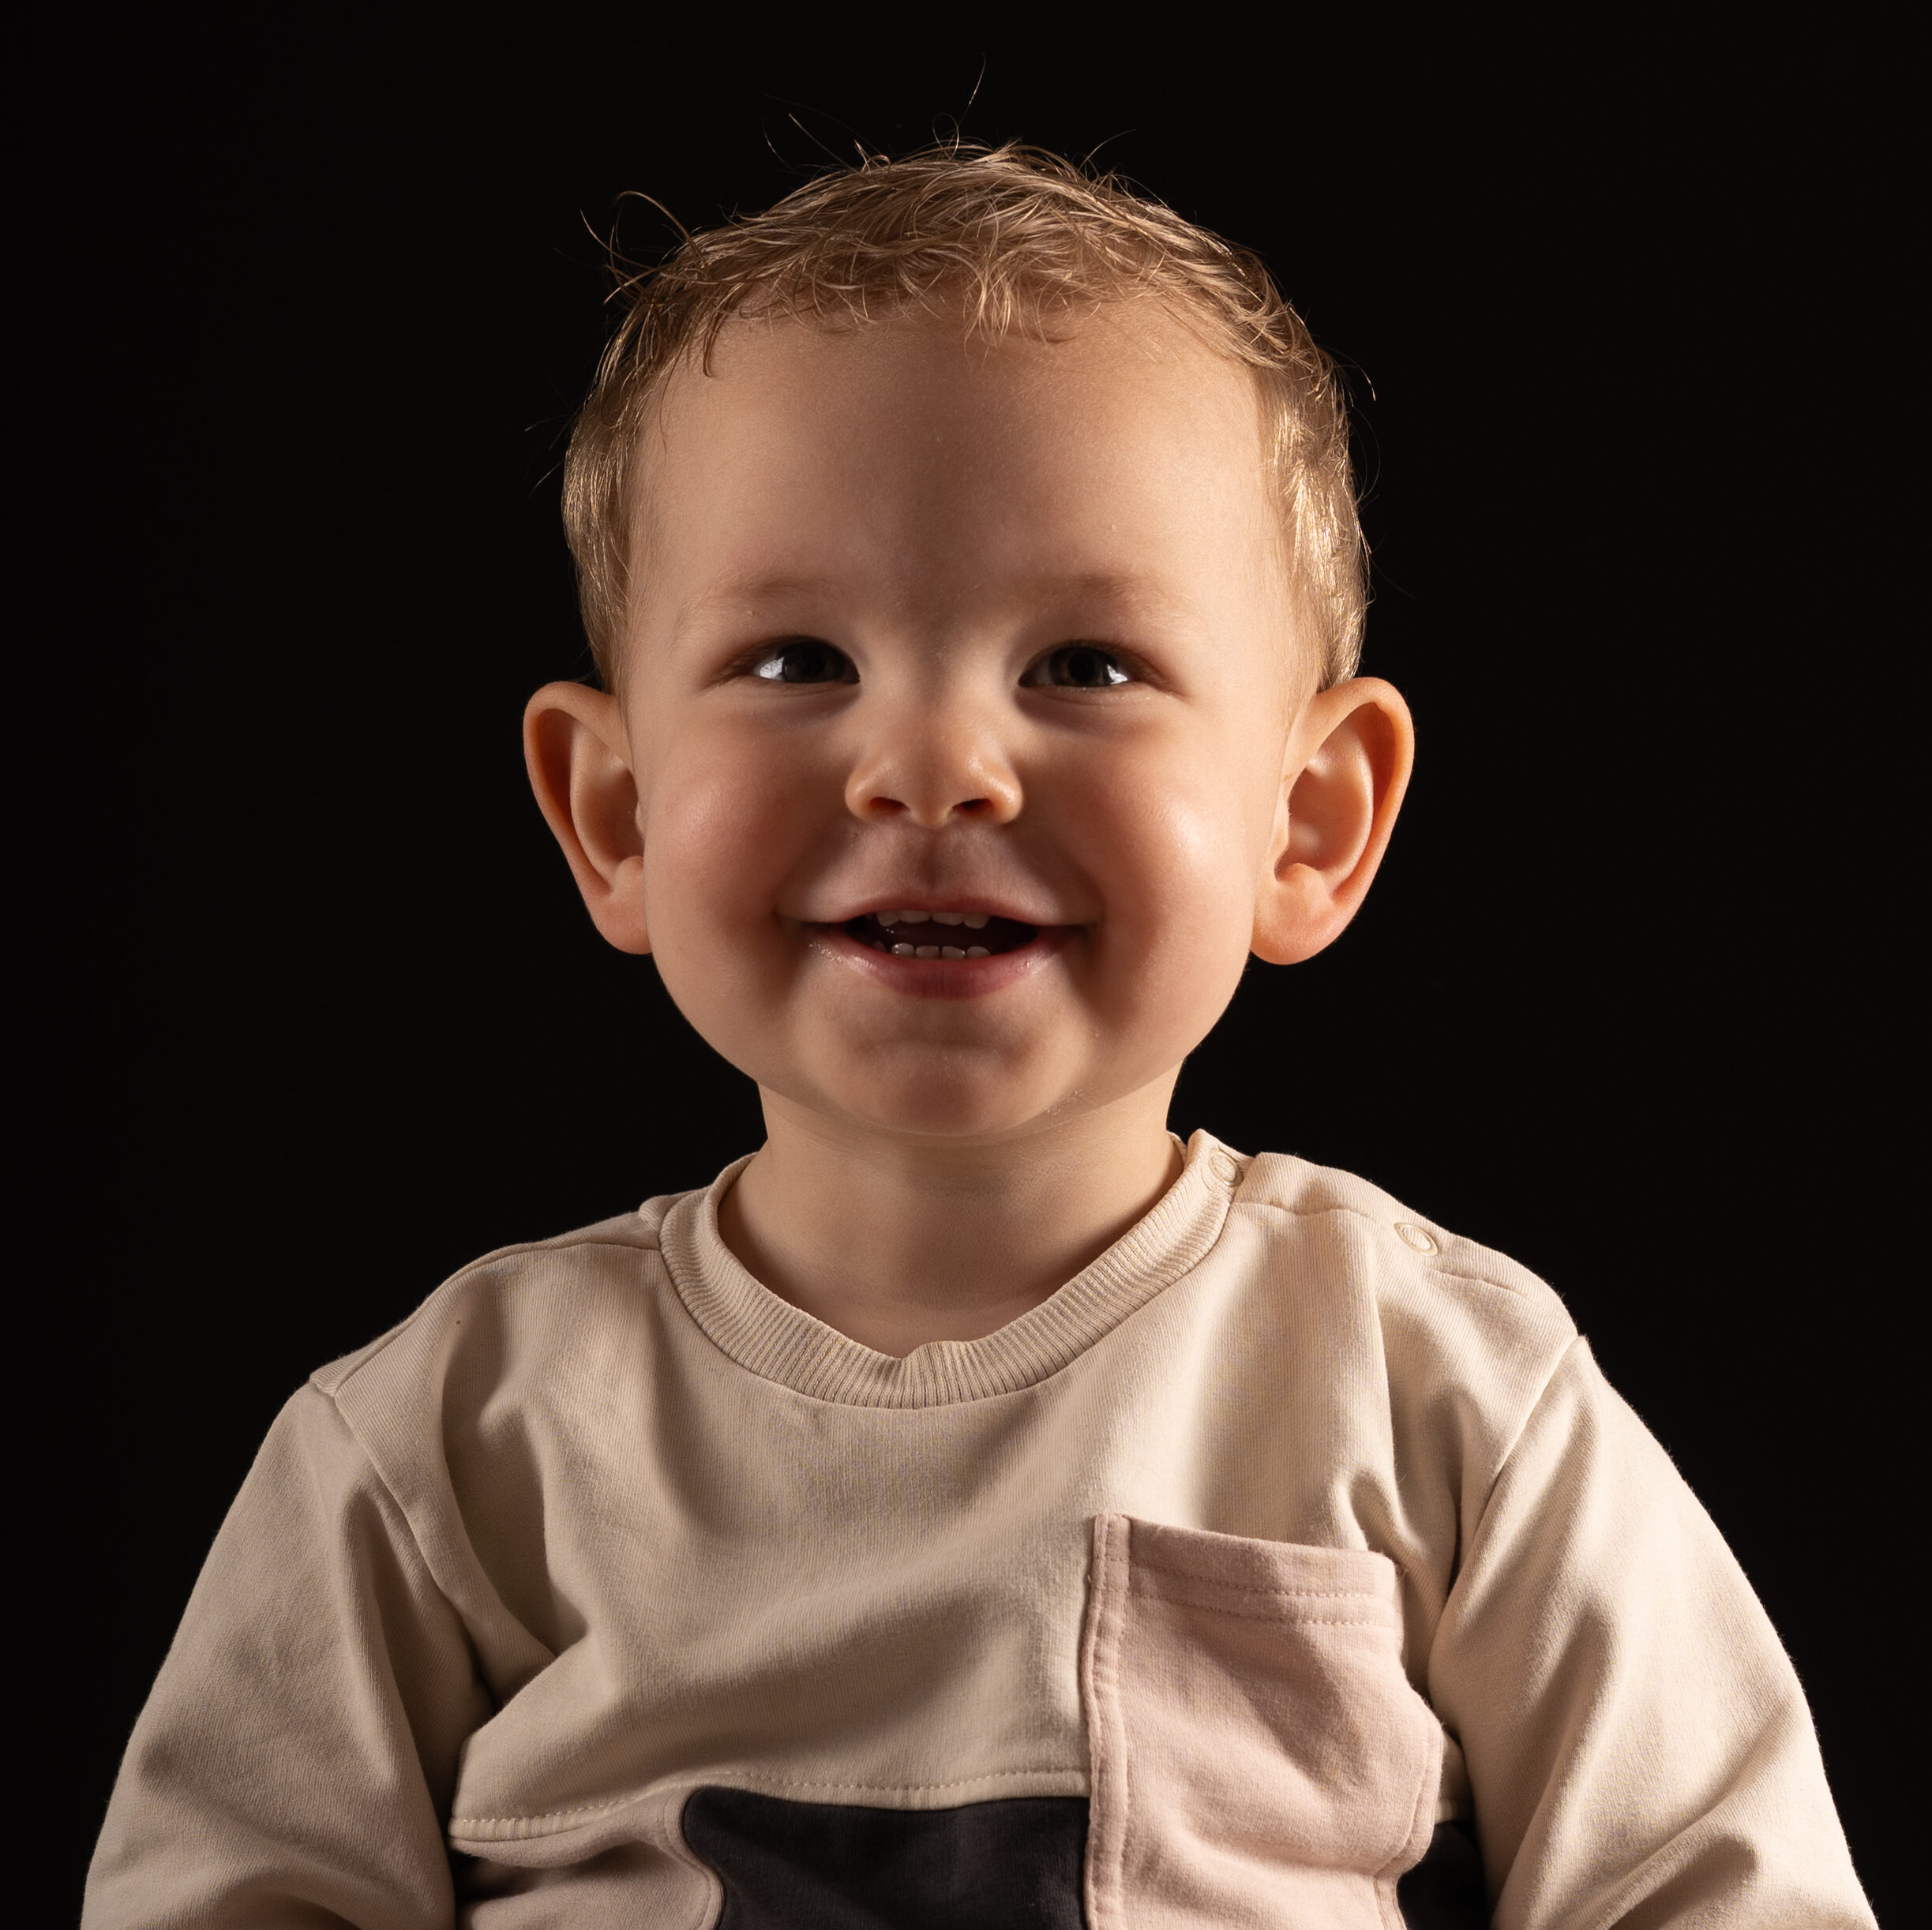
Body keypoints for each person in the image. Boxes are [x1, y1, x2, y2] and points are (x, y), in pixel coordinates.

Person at [83, 144, 1874, 1928]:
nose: (933, 765)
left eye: (1083, 664)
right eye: (796, 659)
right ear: (615, 812)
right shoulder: (443, 1448)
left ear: (1310, 819)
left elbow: (1726, 1891)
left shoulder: (1440, 1392)